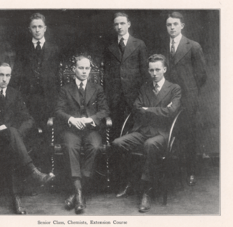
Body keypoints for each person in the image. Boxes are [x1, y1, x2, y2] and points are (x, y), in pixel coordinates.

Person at [0, 62, 55, 214]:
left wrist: (17, 133)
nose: (4, 79)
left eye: (8, 75)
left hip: (11, 139)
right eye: (1, 75)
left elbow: (28, 119)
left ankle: (16, 197)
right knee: (12, 138)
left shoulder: (15, 94)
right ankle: (34, 173)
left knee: (11, 135)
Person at [111, 54, 181, 213]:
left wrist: (147, 110)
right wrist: (159, 110)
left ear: (164, 69)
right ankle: (131, 181)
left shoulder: (174, 89)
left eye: (157, 69)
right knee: (117, 143)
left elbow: (171, 112)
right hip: (142, 131)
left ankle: (146, 190)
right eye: (151, 70)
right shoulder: (144, 87)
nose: (154, 73)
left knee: (150, 145)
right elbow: (136, 109)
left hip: (162, 134)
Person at [55, 55, 110, 214]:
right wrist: (71, 119)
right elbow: (58, 111)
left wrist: (91, 119)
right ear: (74, 69)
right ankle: (80, 194)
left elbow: (105, 110)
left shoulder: (97, 88)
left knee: (94, 146)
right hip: (71, 130)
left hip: (91, 129)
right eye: (81, 68)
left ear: (90, 70)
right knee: (71, 147)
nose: (84, 71)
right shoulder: (65, 89)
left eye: (87, 68)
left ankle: (77, 193)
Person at [162, 11, 207, 186]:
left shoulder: (193, 46)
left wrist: (190, 91)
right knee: (170, 133)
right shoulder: (163, 45)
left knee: (189, 134)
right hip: (168, 98)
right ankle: (173, 170)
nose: (172, 27)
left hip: (188, 98)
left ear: (182, 26)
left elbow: (201, 75)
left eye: (175, 24)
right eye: (169, 25)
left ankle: (190, 172)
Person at [11, 12, 60, 131]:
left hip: (48, 98)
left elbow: (57, 76)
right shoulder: (23, 49)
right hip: (29, 98)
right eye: (34, 27)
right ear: (29, 29)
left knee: (47, 132)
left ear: (45, 29)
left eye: (40, 27)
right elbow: (17, 74)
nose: (37, 30)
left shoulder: (54, 49)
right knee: (29, 129)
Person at [104, 12, 148, 140]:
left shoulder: (139, 44)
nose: (119, 27)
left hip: (134, 96)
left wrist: (142, 96)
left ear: (128, 24)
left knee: (134, 127)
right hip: (115, 96)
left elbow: (145, 73)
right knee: (116, 128)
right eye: (116, 24)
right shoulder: (109, 47)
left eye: (122, 23)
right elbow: (107, 74)